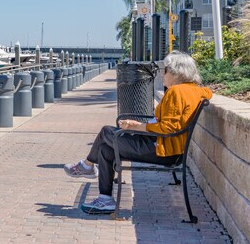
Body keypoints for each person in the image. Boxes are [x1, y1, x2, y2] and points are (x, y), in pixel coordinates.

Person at [63, 51, 212, 214]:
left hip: (163, 150)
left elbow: (169, 127)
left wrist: (136, 126)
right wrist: (140, 125)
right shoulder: (195, 90)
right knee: (106, 150)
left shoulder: (177, 92)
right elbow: (201, 98)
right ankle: (105, 199)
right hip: (167, 147)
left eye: (166, 70)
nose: (163, 74)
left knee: (106, 131)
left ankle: (87, 166)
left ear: (177, 72)